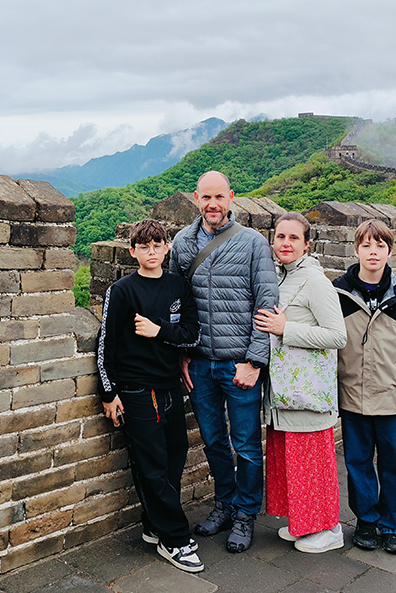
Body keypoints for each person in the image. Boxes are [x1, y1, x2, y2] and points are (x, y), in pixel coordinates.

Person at [169, 170, 279, 553]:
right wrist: (182, 356)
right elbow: (176, 304)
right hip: (199, 362)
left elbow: (267, 304)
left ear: (231, 197)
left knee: (246, 445)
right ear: (196, 199)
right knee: (214, 442)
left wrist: (255, 361)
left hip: (239, 364)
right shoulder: (183, 243)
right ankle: (224, 506)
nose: (212, 204)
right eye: (205, 198)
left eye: (219, 197)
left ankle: (246, 514)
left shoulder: (252, 243)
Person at [97, 219, 203, 573]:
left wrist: (160, 331)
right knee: (153, 466)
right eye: (144, 246)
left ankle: (153, 524)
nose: (152, 251)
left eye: (157, 245)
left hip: (171, 386)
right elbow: (105, 346)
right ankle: (175, 539)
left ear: (167, 247)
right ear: (132, 251)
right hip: (137, 390)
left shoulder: (178, 285)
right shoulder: (123, 290)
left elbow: (192, 336)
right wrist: (109, 392)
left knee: (174, 458)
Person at [332, 219, 396, 555]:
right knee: (357, 462)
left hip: (393, 398)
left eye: (380, 246)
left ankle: (393, 525)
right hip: (352, 396)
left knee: (395, 465)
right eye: (366, 246)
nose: (373, 252)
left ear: (389, 251)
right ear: (356, 249)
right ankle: (367, 520)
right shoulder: (339, 293)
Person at [254, 212, 348, 553]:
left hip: (307, 390)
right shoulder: (278, 276)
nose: (286, 244)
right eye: (281, 237)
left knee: (313, 463)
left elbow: (338, 335)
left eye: (294, 238)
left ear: (307, 244)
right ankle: (304, 524)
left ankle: (329, 528)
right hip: (283, 392)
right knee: (292, 462)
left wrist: (286, 330)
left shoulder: (316, 281)